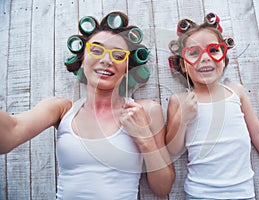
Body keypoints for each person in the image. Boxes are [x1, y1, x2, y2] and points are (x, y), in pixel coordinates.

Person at [0, 11, 175, 199]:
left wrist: (145, 139)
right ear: (82, 59)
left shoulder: (146, 111)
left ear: (127, 68)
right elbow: (10, 134)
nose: (107, 60)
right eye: (97, 50)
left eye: (118, 55)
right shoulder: (61, 110)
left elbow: (162, 188)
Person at [166, 13, 259, 200]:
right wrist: (182, 118)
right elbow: (172, 150)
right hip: (200, 194)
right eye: (193, 53)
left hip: (243, 192)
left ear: (223, 58)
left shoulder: (236, 92)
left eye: (213, 50)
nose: (205, 58)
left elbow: (258, 133)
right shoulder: (179, 100)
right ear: (184, 66)